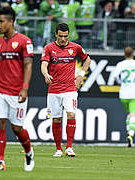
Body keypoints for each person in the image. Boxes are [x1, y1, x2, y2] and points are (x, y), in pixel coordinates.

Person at [0, 7, 34, 171]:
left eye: (1, 21)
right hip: (0, 91)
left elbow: (28, 65)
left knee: (17, 128)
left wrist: (25, 88)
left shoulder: (24, 41)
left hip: (17, 92)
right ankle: (0, 161)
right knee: (0, 124)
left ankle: (28, 152)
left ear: (11, 21)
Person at [41, 23, 91, 157]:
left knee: (71, 114)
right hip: (54, 89)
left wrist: (81, 74)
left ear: (68, 35)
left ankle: (69, 147)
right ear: (56, 35)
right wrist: (46, 74)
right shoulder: (49, 48)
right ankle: (58, 149)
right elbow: (44, 64)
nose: (63, 39)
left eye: (65, 36)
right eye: (61, 36)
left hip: (70, 89)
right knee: (56, 119)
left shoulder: (75, 47)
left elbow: (87, 60)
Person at [113, 46, 135, 147]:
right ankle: (131, 135)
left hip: (124, 93)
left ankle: (128, 132)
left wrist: (121, 83)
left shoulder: (120, 64)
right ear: (133, 54)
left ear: (124, 54)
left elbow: (115, 76)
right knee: (133, 115)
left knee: (129, 114)